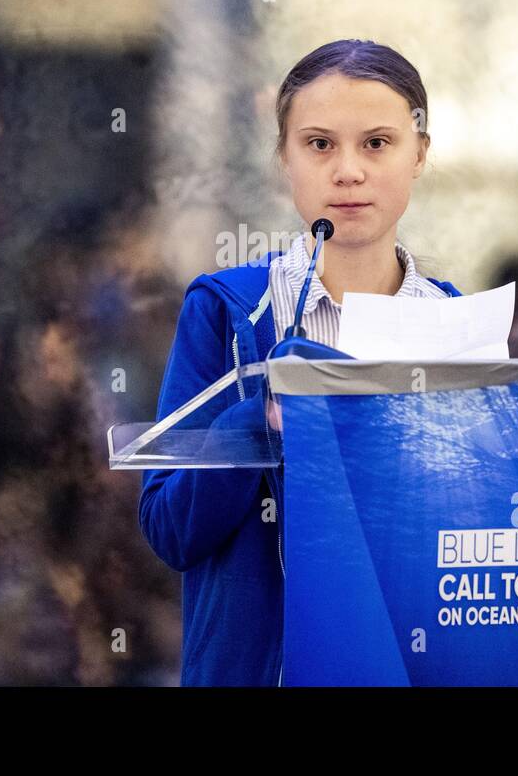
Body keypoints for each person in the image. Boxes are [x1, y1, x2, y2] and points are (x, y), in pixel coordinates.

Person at [138, 39, 462, 685]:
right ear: (284, 159)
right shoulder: (228, 312)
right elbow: (169, 527)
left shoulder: (453, 323)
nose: (347, 171)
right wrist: (258, 421)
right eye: (318, 144)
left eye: (377, 143)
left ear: (420, 154)